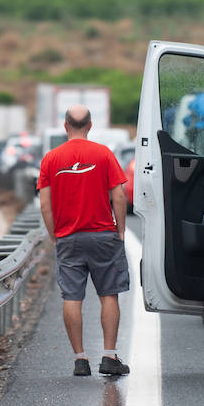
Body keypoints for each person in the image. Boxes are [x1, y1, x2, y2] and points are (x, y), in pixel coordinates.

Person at [37, 105, 130, 377]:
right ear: (90, 126)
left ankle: (80, 359)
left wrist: (55, 235)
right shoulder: (103, 154)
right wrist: (120, 231)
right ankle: (109, 356)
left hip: (68, 238)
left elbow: (45, 204)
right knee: (108, 294)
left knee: (72, 297)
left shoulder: (51, 159)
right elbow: (120, 196)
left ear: (65, 126)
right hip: (103, 236)